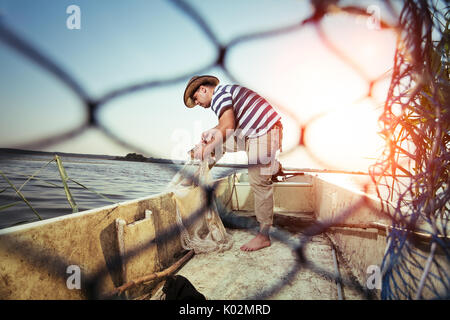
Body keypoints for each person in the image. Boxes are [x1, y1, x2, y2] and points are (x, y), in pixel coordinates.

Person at [183, 75, 283, 251]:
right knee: (215, 143)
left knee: (258, 180)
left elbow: (228, 125)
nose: (196, 102)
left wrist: (208, 147)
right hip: (249, 134)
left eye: (195, 98)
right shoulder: (224, 95)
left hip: (265, 131)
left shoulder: (219, 96)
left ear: (203, 89)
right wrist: (211, 133)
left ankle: (264, 236)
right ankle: (196, 174)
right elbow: (226, 124)